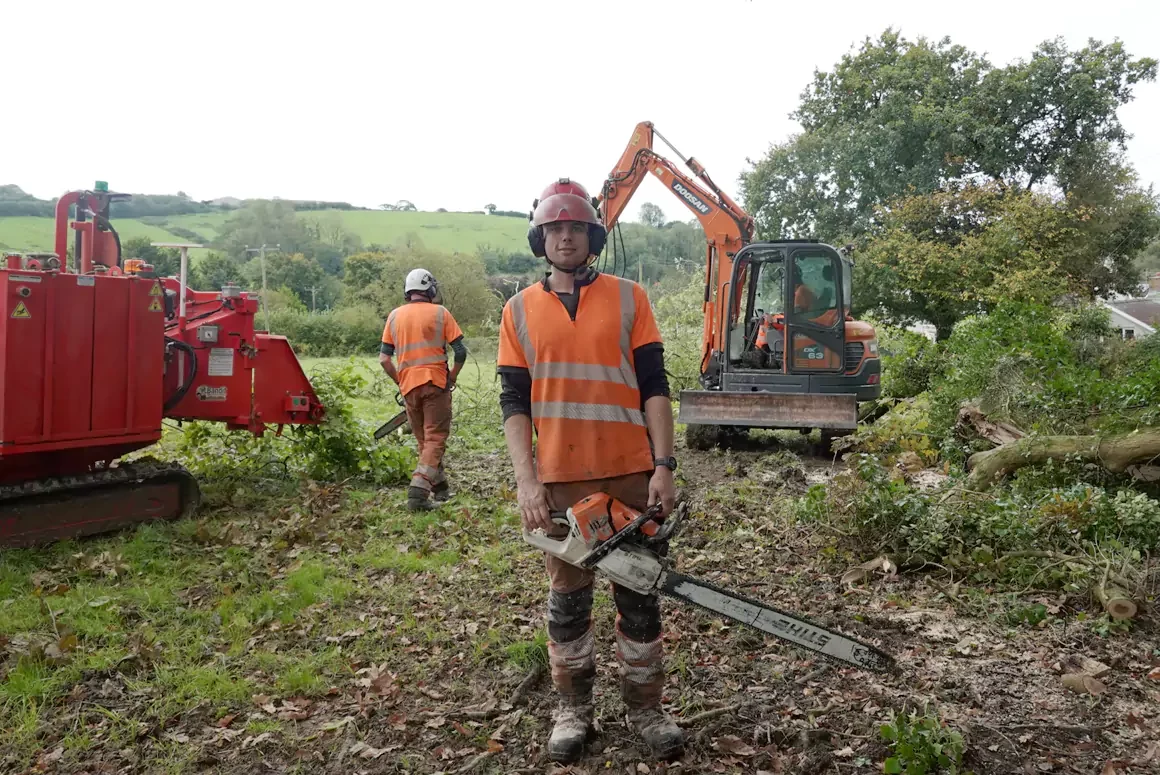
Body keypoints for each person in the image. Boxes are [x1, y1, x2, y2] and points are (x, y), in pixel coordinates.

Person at [497, 179, 683, 763]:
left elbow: (655, 387)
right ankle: (573, 709)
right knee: (569, 603)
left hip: (631, 475)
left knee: (640, 598)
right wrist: (527, 480)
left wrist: (664, 466)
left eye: (575, 226)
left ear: (592, 235)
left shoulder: (630, 298)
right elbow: (514, 404)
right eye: (555, 228)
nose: (566, 236)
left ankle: (647, 707)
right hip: (560, 481)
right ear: (541, 238)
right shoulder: (518, 311)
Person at [380, 268, 467, 511]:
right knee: (436, 438)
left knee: (424, 442)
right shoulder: (440, 313)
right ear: (430, 289)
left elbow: (384, 359)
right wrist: (452, 377)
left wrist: (401, 380)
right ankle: (418, 493)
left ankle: (441, 490)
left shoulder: (394, 317)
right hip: (435, 383)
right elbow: (460, 351)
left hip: (409, 386)